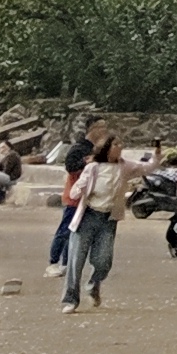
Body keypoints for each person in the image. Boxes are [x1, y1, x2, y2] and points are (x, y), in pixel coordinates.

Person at [59, 131, 129, 312]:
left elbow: (147, 167)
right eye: (116, 144)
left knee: (104, 261)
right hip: (88, 215)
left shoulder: (123, 166)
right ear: (106, 148)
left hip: (108, 218)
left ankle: (94, 284)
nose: (120, 147)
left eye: (121, 144)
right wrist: (82, 188)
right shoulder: (93, 167)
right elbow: (76, 191)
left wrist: (157, 155)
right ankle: (70, 299)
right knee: (76, 260)